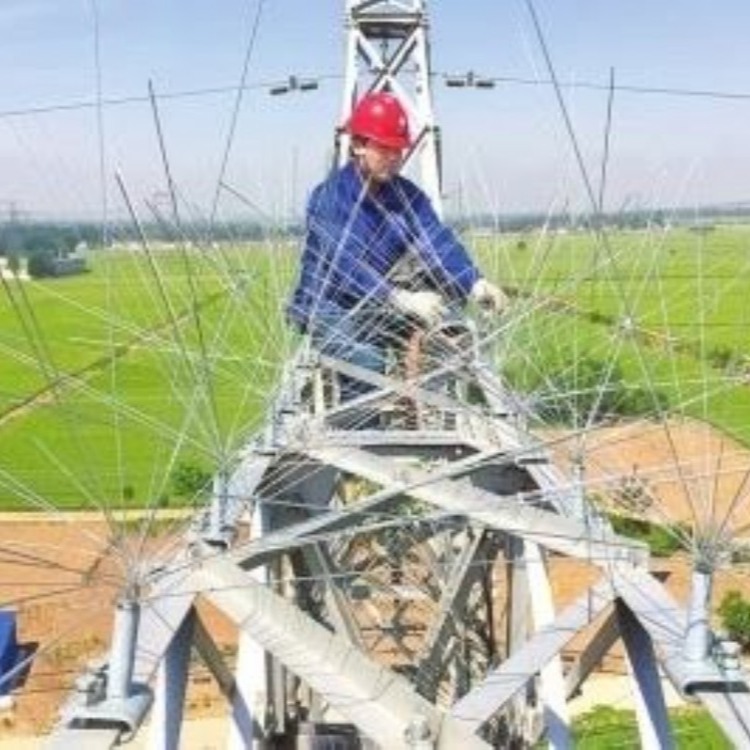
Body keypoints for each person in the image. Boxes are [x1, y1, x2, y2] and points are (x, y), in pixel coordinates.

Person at [287, 91, 505, 405]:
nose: (394, 158)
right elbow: (344, 264)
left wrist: (474, 282)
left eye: (399, 151)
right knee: (367, 363)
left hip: (377, 302)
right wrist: (398, 298)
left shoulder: (406, 197)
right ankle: (359, 438)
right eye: (384, 148)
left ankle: (424, 413)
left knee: (446, 333)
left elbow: (436, 241)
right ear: (359, 145)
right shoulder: (330, 198)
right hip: (330, 305)